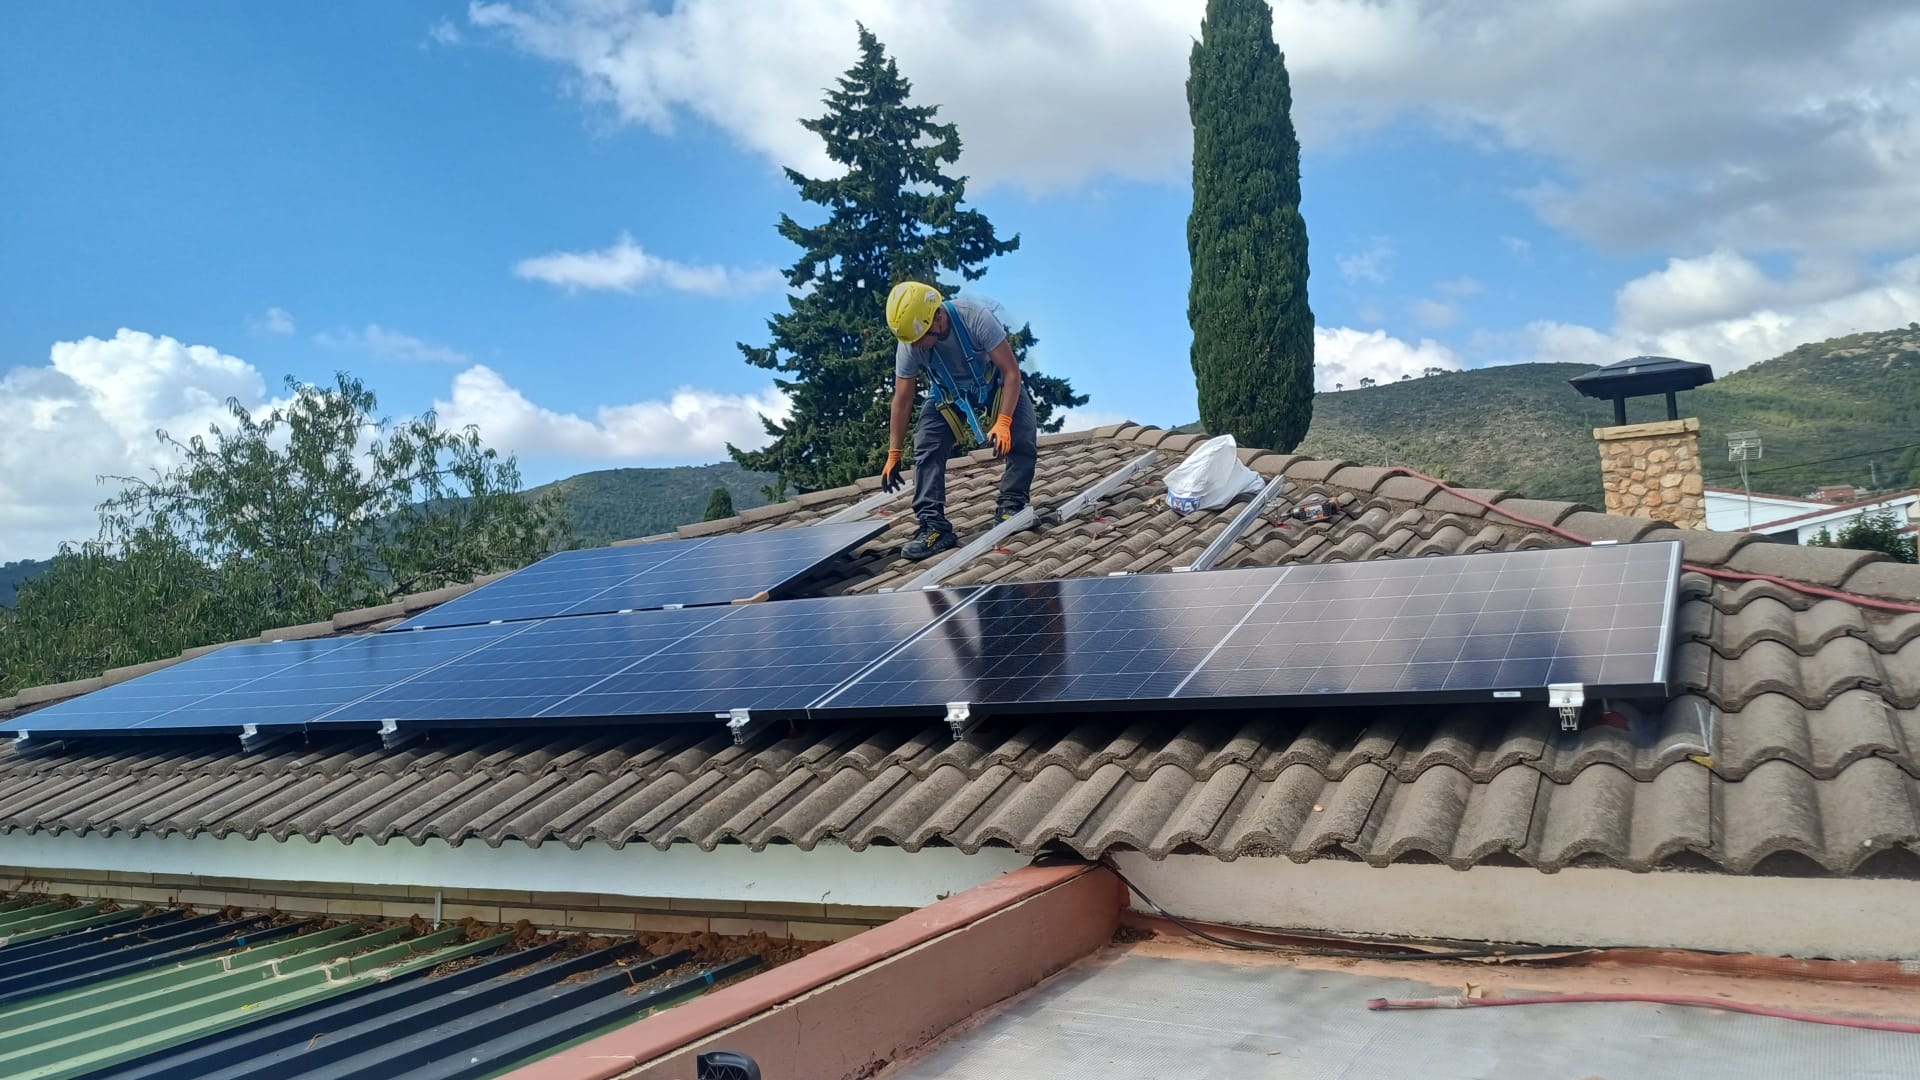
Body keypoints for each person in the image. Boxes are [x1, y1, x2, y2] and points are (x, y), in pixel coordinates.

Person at [879, 281, 1039, 560]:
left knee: (1022, 432)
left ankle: (1012, 506)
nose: (916, 347)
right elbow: (903, 399)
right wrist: (894, 452)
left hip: (996, 384)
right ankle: (934, 526)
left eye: (920, 339)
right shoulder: (909, 345)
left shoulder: (976, 318)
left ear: (937, 320)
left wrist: (1003, 421)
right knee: (927, 443)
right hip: (950, 393)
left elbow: (1012, 372)